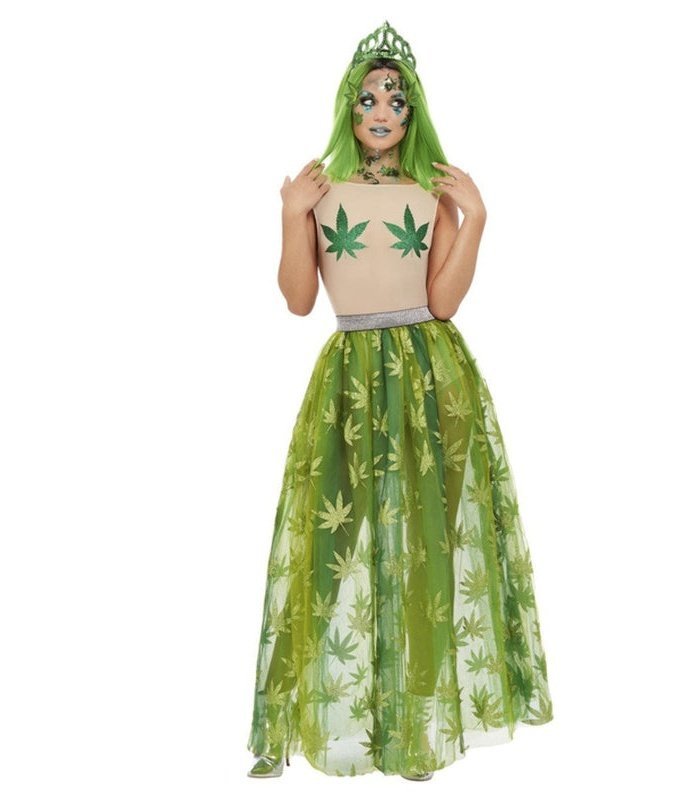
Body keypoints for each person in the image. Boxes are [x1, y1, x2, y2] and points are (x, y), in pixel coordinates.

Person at [246, 20, 554, 780]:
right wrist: (288, 215)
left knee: (423, 547)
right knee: (326, 547)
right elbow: (297, 300)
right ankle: (289, 721)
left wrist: (475, 218)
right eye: (368, 98)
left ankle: (417, 730)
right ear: (347, 108)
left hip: (431, 375)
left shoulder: (430, 193)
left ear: (413, 113)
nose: (381, 111)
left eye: (396, 99)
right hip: (351, 374)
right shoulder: (319, 191)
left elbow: (443, 302)